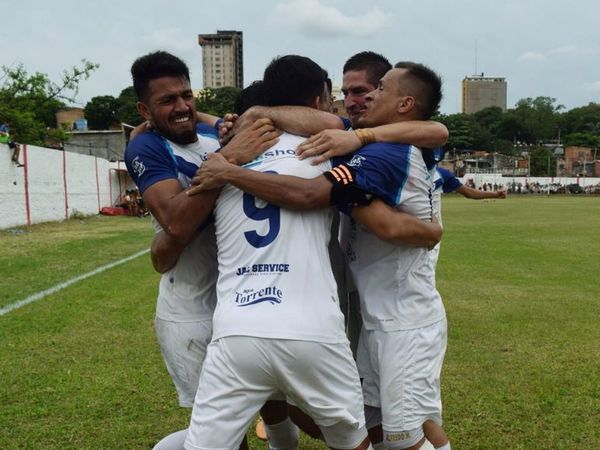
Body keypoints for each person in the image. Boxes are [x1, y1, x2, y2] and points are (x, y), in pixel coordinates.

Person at [190, 61, 451, 450]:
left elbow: (361, 209)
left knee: (403, 438)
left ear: (404, 104)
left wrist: (229, 164)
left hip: (403, 319)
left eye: (373, 90)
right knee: (378, 429)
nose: (355, 101)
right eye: (343, 94)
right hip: (366, 318)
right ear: (319, 100)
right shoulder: (338, 144)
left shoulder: (384, 150)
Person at [124, 50, 279, 450]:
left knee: (276, 405)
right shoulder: (147, 148)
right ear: (145, 109)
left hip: (243, 302)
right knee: (222, 431)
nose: (181, 107)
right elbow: (175, 222)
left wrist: (225, 131)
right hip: (191, 312)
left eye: (187, 96)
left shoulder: (214, 134)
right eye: (167, 101)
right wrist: (228, 160)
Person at [429, 166, 507, 267]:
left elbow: (468, 192)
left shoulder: (440, 174)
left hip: (432, 234)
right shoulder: (406, 170)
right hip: (411, 231)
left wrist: (495, 194)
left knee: (425, 274)